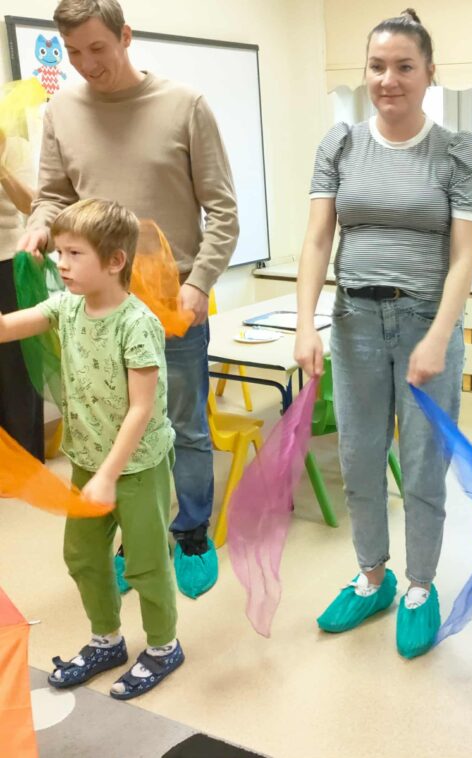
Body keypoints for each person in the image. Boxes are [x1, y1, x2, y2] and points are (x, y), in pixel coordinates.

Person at [18, 0, 239, 598]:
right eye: (73, 53)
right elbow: (52, 195)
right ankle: (136, 539)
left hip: (172, 304)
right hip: (97, 306)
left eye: (98, 48)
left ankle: (190, 531)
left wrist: (198, 284)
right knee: (116, 429)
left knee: (184, 425)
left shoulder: (185, 106)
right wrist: (38, 226)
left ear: (126, 36)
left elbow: (223, 212)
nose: (87, 64)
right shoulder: (62, 111)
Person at [293, 8, 472, 659]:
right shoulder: (341, 145)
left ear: (430, 72)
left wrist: (438, 334)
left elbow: (464, 255)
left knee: (425, 463)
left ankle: (421, 586)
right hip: (354, 324)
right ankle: (373, 576)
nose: (388, 79)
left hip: (426, 322)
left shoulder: (455, 152)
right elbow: (318, 239)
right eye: (377, 66)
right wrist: (306, 323)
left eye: (404, 66)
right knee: (359, 457)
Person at [0, 198, 182, 699]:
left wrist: (108, 475)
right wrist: (94, 473)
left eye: (74, 254)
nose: (61, 264)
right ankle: (107, 640)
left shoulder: (136, 323)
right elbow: (9, 327)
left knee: (145, 563)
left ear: (115, 260)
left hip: (137, 466)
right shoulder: (66, 307)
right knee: (82, 557)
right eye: (59, 252)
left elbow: (141, 409)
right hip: (87, 460)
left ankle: (164, 646)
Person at [0, 125, 43, 460]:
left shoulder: (14, 147)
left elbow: (32, 205)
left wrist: (1, 170)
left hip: (9, 264)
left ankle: (25, 462)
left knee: (16, 367)